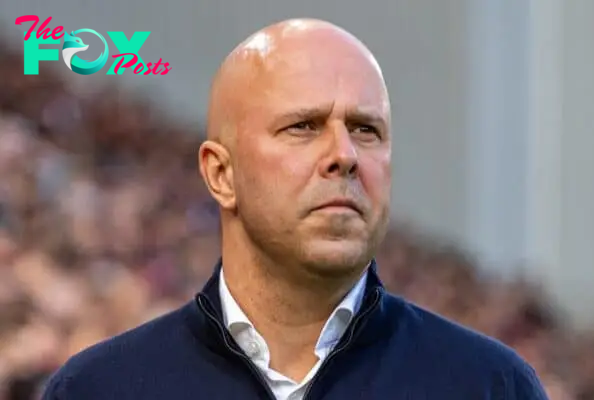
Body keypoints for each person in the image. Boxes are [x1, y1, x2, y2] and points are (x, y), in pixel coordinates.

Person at [42, 19, 549, 399]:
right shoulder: (100, 389)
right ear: (221, 174)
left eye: (365, 130)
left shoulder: (489, 386)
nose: (344, 156)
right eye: (303, 126)